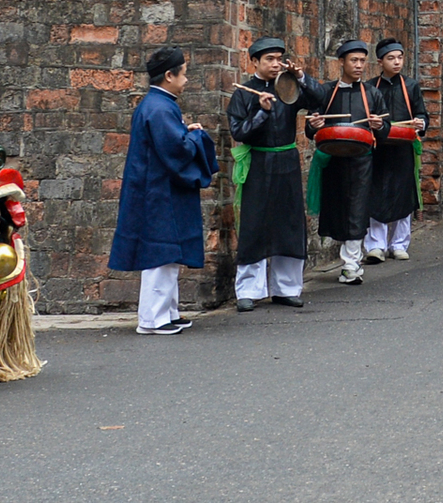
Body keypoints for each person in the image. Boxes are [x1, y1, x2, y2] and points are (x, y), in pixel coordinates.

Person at [111, 45, 218, 337]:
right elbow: (177, 150)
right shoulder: (159, 107)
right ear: (169, 75)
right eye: (183, 73)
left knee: (169, 253)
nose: (187, 79)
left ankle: (167, 312)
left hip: (158, 188)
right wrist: (195, 136)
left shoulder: (158, 104)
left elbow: (171, 141)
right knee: (160, 253)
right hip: (158, 192)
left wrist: (187, 132)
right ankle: (152, 319)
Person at [227, 39, 309, 312]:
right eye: (269, 59)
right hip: (259, 162)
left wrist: (300, 77)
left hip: (287, 161)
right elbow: (239, 132)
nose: (276, 64)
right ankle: (249, 290)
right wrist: (262, 112)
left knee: (289, 224)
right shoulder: (242, 94)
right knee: (255, 225)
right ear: (254, 62)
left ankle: (286, 288)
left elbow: (319, 98)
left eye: (279, 58)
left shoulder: (289, 86)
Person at [303, 40, 388, 285]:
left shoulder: (372, 93)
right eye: (354, 60)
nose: (359, 65)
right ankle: (347, 258)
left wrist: (380, 126)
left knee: (357, 209)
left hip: (361, 161)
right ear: (341, 62)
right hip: (332, 159)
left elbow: (384, 128)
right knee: (336, 209)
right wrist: (314, 125)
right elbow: (311, 128)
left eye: (362, 60)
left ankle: (351, 264)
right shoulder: (326, 92)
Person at [366, 37, 427, 263]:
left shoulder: (410, 86)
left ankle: (399, 243)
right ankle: (376, 245)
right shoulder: (370, 87)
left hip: (403, 147)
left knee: (403, 193)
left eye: (400, 57)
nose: (396, 62)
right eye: (391, 58)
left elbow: (421, 114)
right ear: (380, 61)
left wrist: (421, 123)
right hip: (378, 148)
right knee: (376, 194)